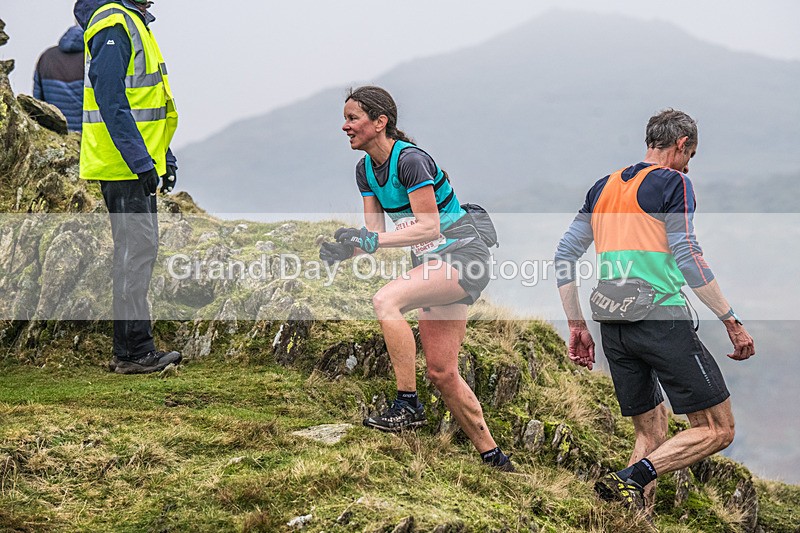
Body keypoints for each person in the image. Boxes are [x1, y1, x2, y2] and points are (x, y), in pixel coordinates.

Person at [554, 109, 755, 512]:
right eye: (690, 154)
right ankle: (634, 477)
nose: (689, 164)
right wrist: (730, 320)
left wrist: (576, 323)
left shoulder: (603, 187)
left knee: (651, 432)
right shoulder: (674, 182)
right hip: (660, 318)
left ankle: (630, 519)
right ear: (681, 144)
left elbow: (563, 255)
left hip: (611, 324)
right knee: (718, 429)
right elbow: (687, 254)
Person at [320, 86, 514, 471]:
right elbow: (375, 234)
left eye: (353, 118)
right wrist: (349, 249)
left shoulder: (410, 161)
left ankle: (407, 404)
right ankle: (495, 458)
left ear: (380, 122)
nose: (345, 126)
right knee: (442, 372)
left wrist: (371, 240)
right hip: (433, 264)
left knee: (385, 301)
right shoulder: (365, 171)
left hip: (463, 257)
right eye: (344, 118)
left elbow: (427, 227)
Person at [74, 0, 181, 374]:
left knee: (137, 252)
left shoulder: (132, 21)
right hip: (123, 166)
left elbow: (146, 102)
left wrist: (162, 156)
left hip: (133, 163)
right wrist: (140, 160)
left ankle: (132, 349)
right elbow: (111, 98)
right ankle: (134, 352)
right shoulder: (114, 22)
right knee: (135, 253)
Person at [33, 25, 85, 132]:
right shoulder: (91, 59)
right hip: (84, 136)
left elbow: (37, 100)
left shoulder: (47, 56)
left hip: (54, 132)